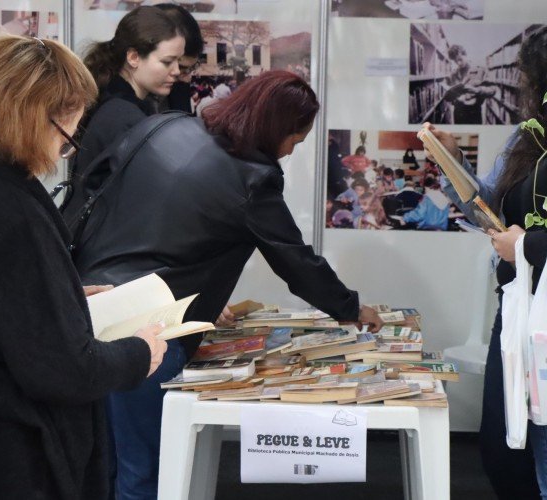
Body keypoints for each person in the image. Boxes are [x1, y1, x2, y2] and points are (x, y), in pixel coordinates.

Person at [70, 70, 384, 499]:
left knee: (97, 465)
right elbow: (295, 261)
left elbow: (96, 190)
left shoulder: (164, 125)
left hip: (87, 312)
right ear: (275, 129)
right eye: (295, 139)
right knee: (145, 475)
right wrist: (350, 307)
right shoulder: (252, 178)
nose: (291, 150)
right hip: (151, 333)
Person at [0, 34, 168, 499]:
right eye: (67, 135)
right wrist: (140, 353)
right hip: (2, 456)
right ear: (33, 118)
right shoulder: (3, 208)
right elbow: (61, 369)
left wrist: (65, 294)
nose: (64, 152)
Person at [426, 21, 547, 499]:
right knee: (534, 450)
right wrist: (453, 163)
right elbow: (490, 202)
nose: (525, 89)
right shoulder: (531, 135)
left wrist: (526, 247)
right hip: (522, 308)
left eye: (531, 78)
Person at [70, 6, 187, 190]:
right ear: (133, 57)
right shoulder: (123, 118)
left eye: (178, 61)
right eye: (167, 62)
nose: (177, 71)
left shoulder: (115, 102)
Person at [154, 3, 205, 113]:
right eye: (181, 67)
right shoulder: (114, 106)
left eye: (191, 68)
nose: (187, 78)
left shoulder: (179, 88)